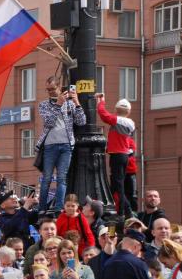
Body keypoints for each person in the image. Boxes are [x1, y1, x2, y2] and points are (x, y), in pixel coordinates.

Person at [36, 77, 86, 213]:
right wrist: (58, 105)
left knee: (61, 178)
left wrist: (76, 102)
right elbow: (49, 123)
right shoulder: (43, 105)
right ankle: (41, 208)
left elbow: (81, 121)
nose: (50, 92)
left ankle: (58, 208)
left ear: (59, 87)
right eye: (48, 90)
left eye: (52, 89)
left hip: (66, 145)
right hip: (50, 145)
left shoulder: (69, 104)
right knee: (46, 178)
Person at [96, 94, 136, 217]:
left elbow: (103, 114)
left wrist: (100, 101)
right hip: (123, 156)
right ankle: (119, 209)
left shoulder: (118, 120)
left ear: (117, 110)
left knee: (118, 185)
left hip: (117, 155)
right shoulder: (130, 123)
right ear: (128, 111)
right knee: (116, 184)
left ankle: (125, 212)